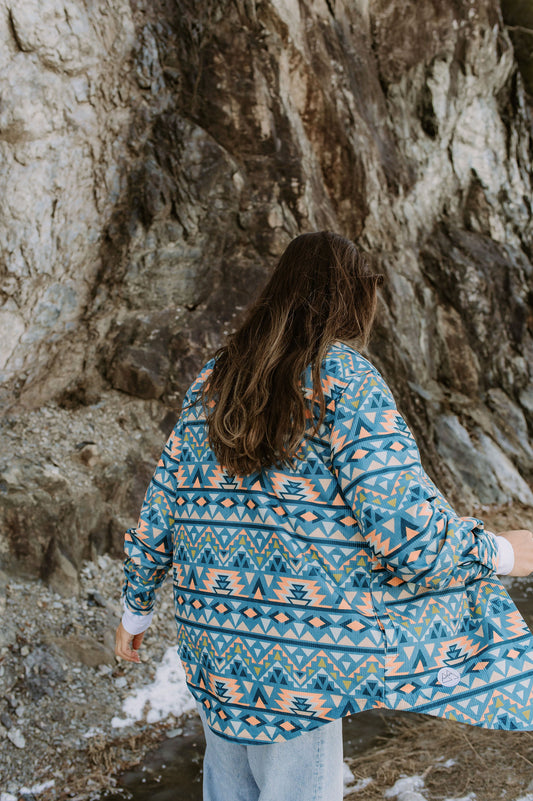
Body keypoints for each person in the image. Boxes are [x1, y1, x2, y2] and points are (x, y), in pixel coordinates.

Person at [115, 231, 533, 801]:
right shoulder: (346, 382)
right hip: (302, 666)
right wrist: (505, 551)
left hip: (218, 647)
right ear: (354, 300)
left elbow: (160, 509)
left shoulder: (212, 380)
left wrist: (134, 612)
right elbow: (407, 537)